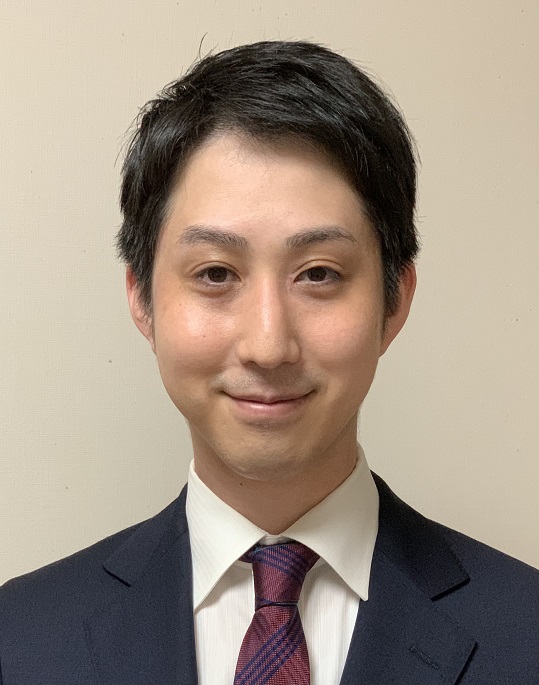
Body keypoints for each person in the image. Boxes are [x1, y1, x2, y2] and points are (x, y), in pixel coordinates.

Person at [0, 40, 538, 685]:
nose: (268, 345)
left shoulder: (525, 631)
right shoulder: (20, 638)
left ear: (395, 300)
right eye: (215, 273)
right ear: (142, 299)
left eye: (319, 273)